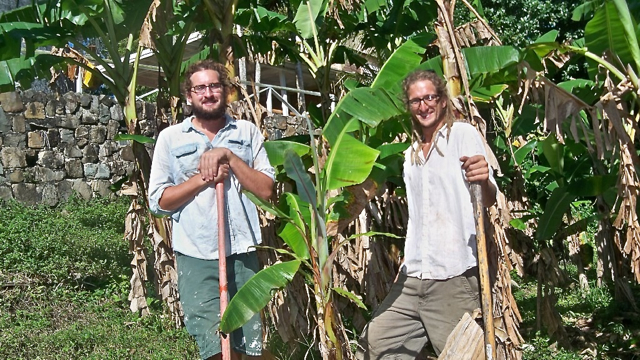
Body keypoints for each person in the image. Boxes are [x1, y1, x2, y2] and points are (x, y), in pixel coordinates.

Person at [356, 69, 497, 359]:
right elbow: (420, 217)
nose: (424, 106)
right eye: (416, 100)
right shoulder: (411, 156)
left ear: (443, 100)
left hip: (454, 276)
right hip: (414, 276)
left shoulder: (462, 134)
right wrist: (409, 257)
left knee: (463, 354)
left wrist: (483, 179)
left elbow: (489, 198)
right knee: (376, 341)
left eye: (430, 97)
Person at [148, 60, 275, 360]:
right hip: (196, 254)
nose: (208, 93)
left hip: (242, 252)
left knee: (249, 346)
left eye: (214, 86)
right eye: (200, 88)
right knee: (214, 348)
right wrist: (203, 179)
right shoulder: (171, 138)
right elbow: (159, 201)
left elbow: (266, 190)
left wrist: (229, 157)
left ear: (226, 91)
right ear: (189, 96)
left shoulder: (246, 133)